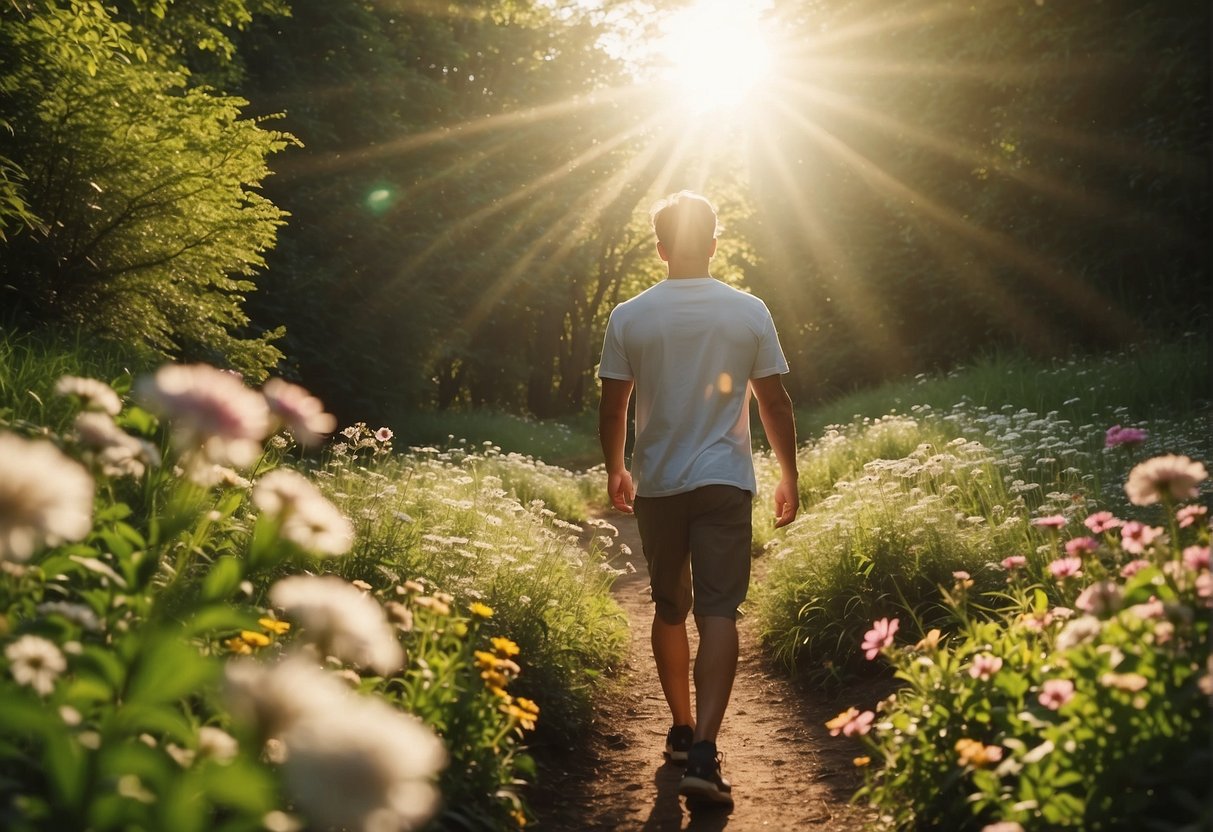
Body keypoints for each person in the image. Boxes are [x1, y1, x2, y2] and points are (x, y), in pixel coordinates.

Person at [597, 190, 800, 810]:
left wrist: (615, 470)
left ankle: (683, 731)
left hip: (658, 482)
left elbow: (614, 405)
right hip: (724, 482)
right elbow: (774, 401)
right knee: (719, 612)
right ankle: (707, 752)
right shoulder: (747, 311)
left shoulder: (629, 316)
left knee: (668, 607)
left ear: (659, 249)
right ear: (714, 243)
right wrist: (789, 474)